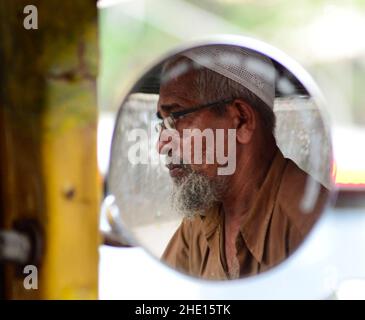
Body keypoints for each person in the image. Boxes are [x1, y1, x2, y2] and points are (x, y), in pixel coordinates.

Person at [156, 45, 328, 280]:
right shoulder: (201, 221)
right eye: (162, 123)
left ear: (241, 121)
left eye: (176, 117)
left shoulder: (309, 224)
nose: (162, 145)